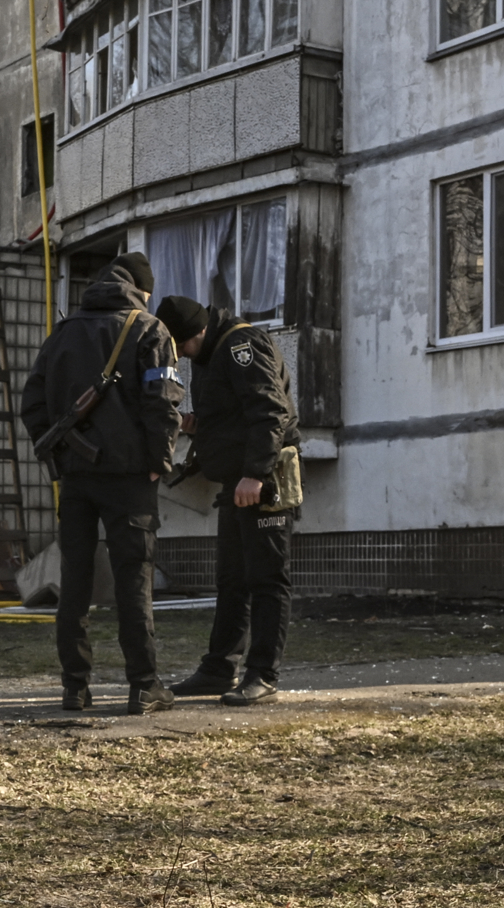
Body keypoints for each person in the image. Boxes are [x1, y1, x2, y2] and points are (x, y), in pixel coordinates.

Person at [20, 259, 179, 713]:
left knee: (75, 581)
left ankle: (75, 687)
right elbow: (163, 403)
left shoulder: (62, 333)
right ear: (141, 291)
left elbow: (32, 402)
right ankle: (144, 685)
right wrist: (158, 461)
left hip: (77, 479)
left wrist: (62, 452)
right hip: (130, 479)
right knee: (134, 579)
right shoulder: (150, 330)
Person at [153, 294, 301, 706]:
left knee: (267, 579)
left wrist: (255, 473)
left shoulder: (240, 346)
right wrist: (200, 426)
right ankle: (218, 668)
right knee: (232, 580)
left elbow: (271, 412)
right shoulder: (211, 354)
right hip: (236, 481)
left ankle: (262, 674)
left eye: (182, 346)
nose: (181, 356)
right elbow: (236, 413)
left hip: (261, 481)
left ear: (197, 332)